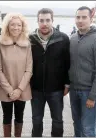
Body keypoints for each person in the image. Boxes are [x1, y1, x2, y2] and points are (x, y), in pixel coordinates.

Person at [29, 8, 70, 137]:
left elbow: (67, 62)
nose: (44, 23)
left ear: (52, 21)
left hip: (56, 89)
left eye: (47, 20)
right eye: (41, 20)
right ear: (37, 21)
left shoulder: (63, 38)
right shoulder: (30, 39)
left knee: (57, 119)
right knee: (36, 119)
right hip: (35, 89)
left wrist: (67, 84)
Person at [69, 6, 96, 137]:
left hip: (88, 92)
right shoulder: (73, 38)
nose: (80, 20)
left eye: (84, 17)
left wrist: (93, 96)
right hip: (74, 90)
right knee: (77, 124)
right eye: (78, 17)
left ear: (91, 19)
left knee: (88, 128)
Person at [0, 13, 33, 137]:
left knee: (20, 116)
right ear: (7, 26)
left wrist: (19, 89)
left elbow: (29, 69)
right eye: (12, 25)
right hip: (6, 89)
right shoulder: (0, 44)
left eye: (19, 25)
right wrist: (10, 90)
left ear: (23, 27)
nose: (16, 28)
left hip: (22, 88)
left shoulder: (27, 44)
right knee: (6, 116)